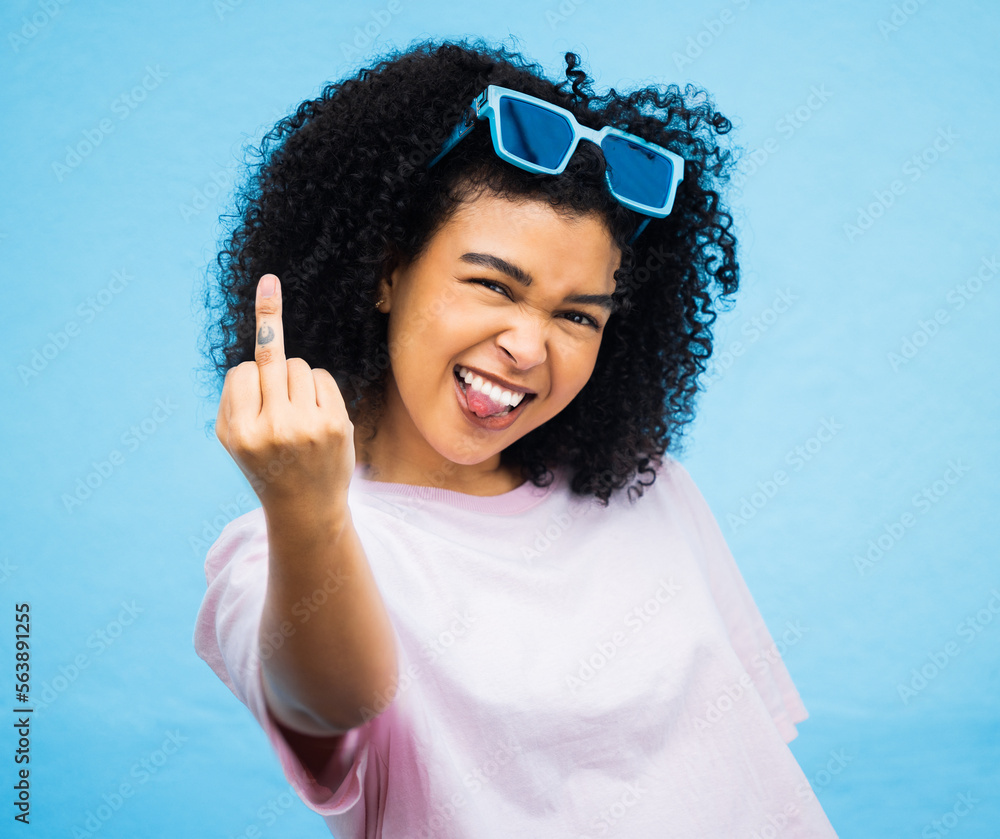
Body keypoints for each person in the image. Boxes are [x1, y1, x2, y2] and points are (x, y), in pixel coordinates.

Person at [194, 38, 839, 838]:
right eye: (494, 285)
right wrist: (307, 512)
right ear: (386, 271)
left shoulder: (649, 488)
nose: (530, 348)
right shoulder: (287, 548)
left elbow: (741, 768)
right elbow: (329, 704)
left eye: (576, 315)